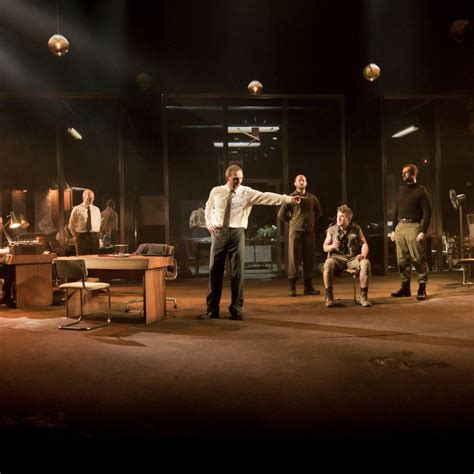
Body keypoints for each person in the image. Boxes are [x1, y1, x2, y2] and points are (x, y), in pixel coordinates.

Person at [199, 164, 302, 321]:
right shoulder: (217, 191)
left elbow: (267, 197)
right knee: (215, 271)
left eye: (240, 178)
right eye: (235, 179)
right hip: (219, 233)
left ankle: (236, 309)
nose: (238, 181)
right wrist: (208, 223)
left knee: (237, 273)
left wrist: (288, 199)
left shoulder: (246, 192)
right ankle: (212, 310)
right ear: (227, 177)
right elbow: (208, 207)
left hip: (237, 233)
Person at [390, 163, 432, 301]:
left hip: (414, 226)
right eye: (403, 173)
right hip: (400, 227)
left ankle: (422, 287)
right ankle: (405, 287)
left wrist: (423, 231)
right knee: (401, 259)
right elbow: (395, 212)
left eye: (406, 172)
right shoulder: (400, 192)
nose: (403, 175)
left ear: (413, 174)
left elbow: (427, 212)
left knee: (418, 258)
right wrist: (393, 230)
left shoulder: (421, 192)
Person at [278, 174, 322, 296]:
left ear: (306, 183)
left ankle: (308, 287)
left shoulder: (312, 198)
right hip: (295, 232)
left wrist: (311, 221)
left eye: (303, 180)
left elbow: (319, 212)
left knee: (309, 259)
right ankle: (292, 287)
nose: (301, 181)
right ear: (295, 183)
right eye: (299, 180)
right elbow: (281, 214)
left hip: (309, 232)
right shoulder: (291, 198)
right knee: (294, 259)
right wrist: (292, 221)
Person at [322, 204, 372, 308]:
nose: (338, 218)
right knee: (327, 264)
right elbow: (325, 247)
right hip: (337, 258)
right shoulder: (332, 229)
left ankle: (363, 297)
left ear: (348, 219)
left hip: (353, 258)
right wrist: (332, 246)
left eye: (342, 216)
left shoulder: (356, 229)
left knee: (366, 263)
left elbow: (364, 244)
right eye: (337, 216)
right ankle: (329, 297)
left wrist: (363, 255)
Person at [68, 189, 101, 255]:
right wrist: (76, 236)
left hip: (94, 237)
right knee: (83, 257)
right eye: (89, 198)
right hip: (82, 237)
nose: (91, 200)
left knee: (95, 257)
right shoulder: (77, 209)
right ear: (83, 198)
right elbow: (71, 225)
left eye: (92, 198)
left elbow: (99, 222)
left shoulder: (96, 209)